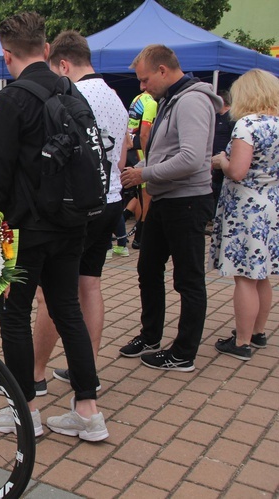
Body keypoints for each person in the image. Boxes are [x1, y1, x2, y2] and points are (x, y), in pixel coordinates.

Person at [0, 12, 108, 442]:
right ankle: (88, 411)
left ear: (5, 54)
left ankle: (26, 412)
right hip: (72, 221)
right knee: (66, 309)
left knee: (14, 314)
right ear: (47, 49)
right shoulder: (69, 89)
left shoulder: (13, 98)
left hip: (27, 228)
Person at [32, 30, 129, 393]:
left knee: (52, 293)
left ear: (63, 64)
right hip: (112, 199)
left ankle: (35, 373)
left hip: (76, 207)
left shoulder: (70, 95)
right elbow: (119, 159)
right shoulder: (117, 98)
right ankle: (84, 369)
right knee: (90, 284)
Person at [119, 44, 221, 371]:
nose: (142, 87)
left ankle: (184, 352)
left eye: (145, 79)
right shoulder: (169, 99)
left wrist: (144, 173)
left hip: (187, 201)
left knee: (188, 278)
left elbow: (191, 159)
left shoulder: (191, 100)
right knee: (148, 268)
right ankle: (150, 336)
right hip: (166, 199)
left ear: (163, 70)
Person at [209, 69, 278, 360]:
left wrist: (221, 161)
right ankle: (259, 332)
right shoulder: (276, 123)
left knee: (245, 278)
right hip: (270, 204)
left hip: (245, 209)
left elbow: (237, 170)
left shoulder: (247, 124)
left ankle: (242, 342)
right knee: (262, 275)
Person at [125, 91, 158, 248]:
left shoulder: (138, 98)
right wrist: (149, 158)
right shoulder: (151, 102)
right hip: (139, 150)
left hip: (131, 148)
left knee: (140, 195)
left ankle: (125, 224)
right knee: (146, 196)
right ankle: (140, 238)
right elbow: (145, 134)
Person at [210, 89, 235, 217]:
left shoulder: (231, 117)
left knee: (219, 186)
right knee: (214, 186)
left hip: (224, 159)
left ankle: (217, 214)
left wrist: (225, 155)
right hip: (215, 158)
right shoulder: (217, 117)